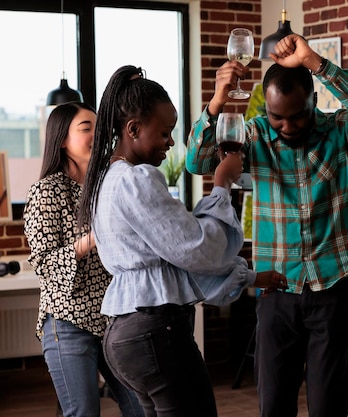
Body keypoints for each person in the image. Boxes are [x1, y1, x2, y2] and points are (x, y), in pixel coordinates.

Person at [186, 34, 348, 417]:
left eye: (297, 115)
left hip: (334, 286)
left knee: (329, 407)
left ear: (314, 102)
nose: (287, 125)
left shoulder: (338, 132)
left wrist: (316, 63)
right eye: (278, 116)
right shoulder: (254, 134)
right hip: (276, 290)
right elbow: (198, 161)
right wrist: (216, 102)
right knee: (274, 406)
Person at [77, 65, 287, 417]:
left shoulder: (105, 179)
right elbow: (199, 249)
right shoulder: (138, 180)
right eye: (164, 133)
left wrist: (249, 277)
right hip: (155, 332)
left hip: (124, 333)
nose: (171, 142)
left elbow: (174, 257)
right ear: (133, 129)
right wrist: (221, 185)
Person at [23, 102, 144, 417]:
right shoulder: (46, 191)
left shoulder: (106, 184)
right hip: (67, 321)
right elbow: (45, 264)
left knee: (142, 408)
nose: (96, 133)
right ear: (62, 139)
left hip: (113, 318)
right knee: (84, 412)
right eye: (85, 127)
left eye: (97, 126)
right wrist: (90, 240)